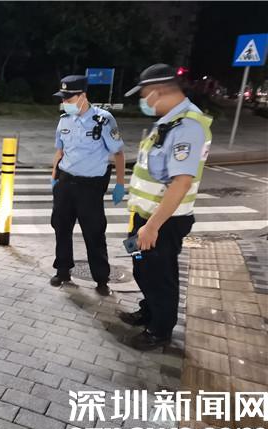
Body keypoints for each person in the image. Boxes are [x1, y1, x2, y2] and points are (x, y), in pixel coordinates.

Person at [120, 63, 213, 350]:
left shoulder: (188, 127)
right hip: (146, 217)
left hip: (163, 222)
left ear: (157, 91)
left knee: (159, 276)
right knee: (143, 269)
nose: (143, 101)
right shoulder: (169, 122)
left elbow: (181, 183)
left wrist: (152, 226)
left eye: (144, 94)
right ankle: (149, 311)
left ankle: (159, 331)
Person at [50, 75, 126, 296]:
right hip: (65, 183)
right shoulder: (64, 120)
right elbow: (60, 150)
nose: (64, 102)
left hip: (90, 187)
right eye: (63, 98)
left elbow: (118, 153)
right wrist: (54, 176)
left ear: (82, 96)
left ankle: (101, 279)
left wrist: (120, 183)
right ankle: (63, 270)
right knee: (61, 228)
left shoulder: (104, 120)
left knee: (94, 233)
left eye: (68, 98)